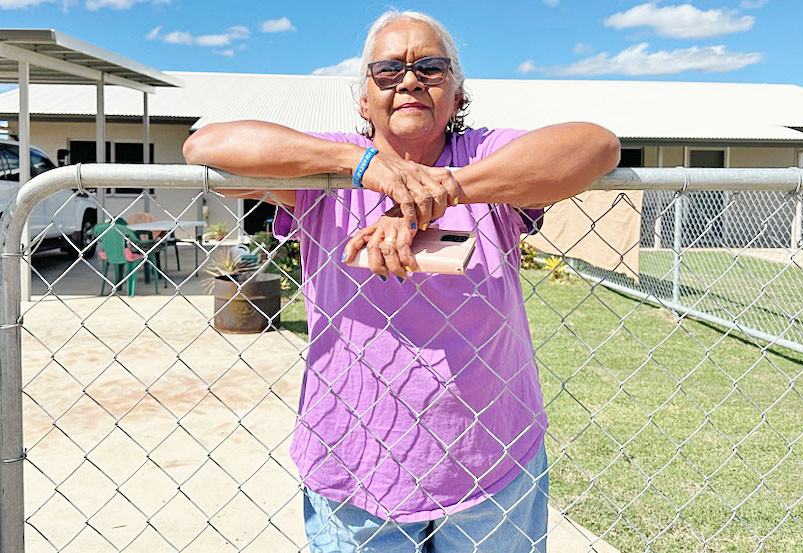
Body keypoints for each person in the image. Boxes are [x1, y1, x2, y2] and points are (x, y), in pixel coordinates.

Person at [183, 9, 620, 553]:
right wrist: (364, 165)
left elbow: (597, 145)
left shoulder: (485, 156)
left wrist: (441, 191)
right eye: (387, 71)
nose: (409, 80)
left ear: (458, 95)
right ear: (364, 100)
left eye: (430, 69)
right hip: (355, 468)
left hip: (491, 465)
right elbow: (204, 145)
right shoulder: (326, 170)